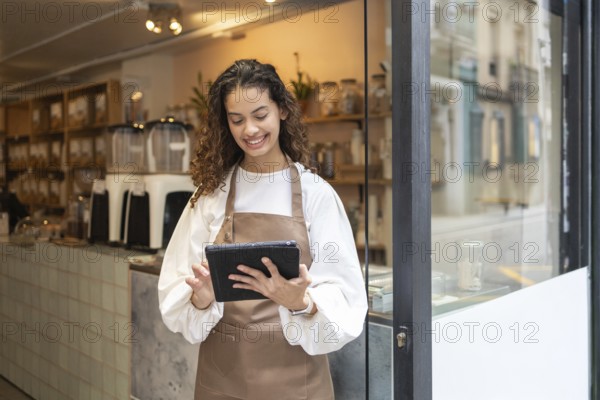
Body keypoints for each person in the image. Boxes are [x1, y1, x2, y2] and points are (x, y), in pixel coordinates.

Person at [158, 59, 368, 400]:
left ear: (282, 110)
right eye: (236, 119)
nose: (249, 130)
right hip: (222, 381)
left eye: (260, 115)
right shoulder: (212, 195)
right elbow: (175, 286)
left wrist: (302, 302)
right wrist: (200, 298)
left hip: (297, 385)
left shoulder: (316, 195)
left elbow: (346, 298)